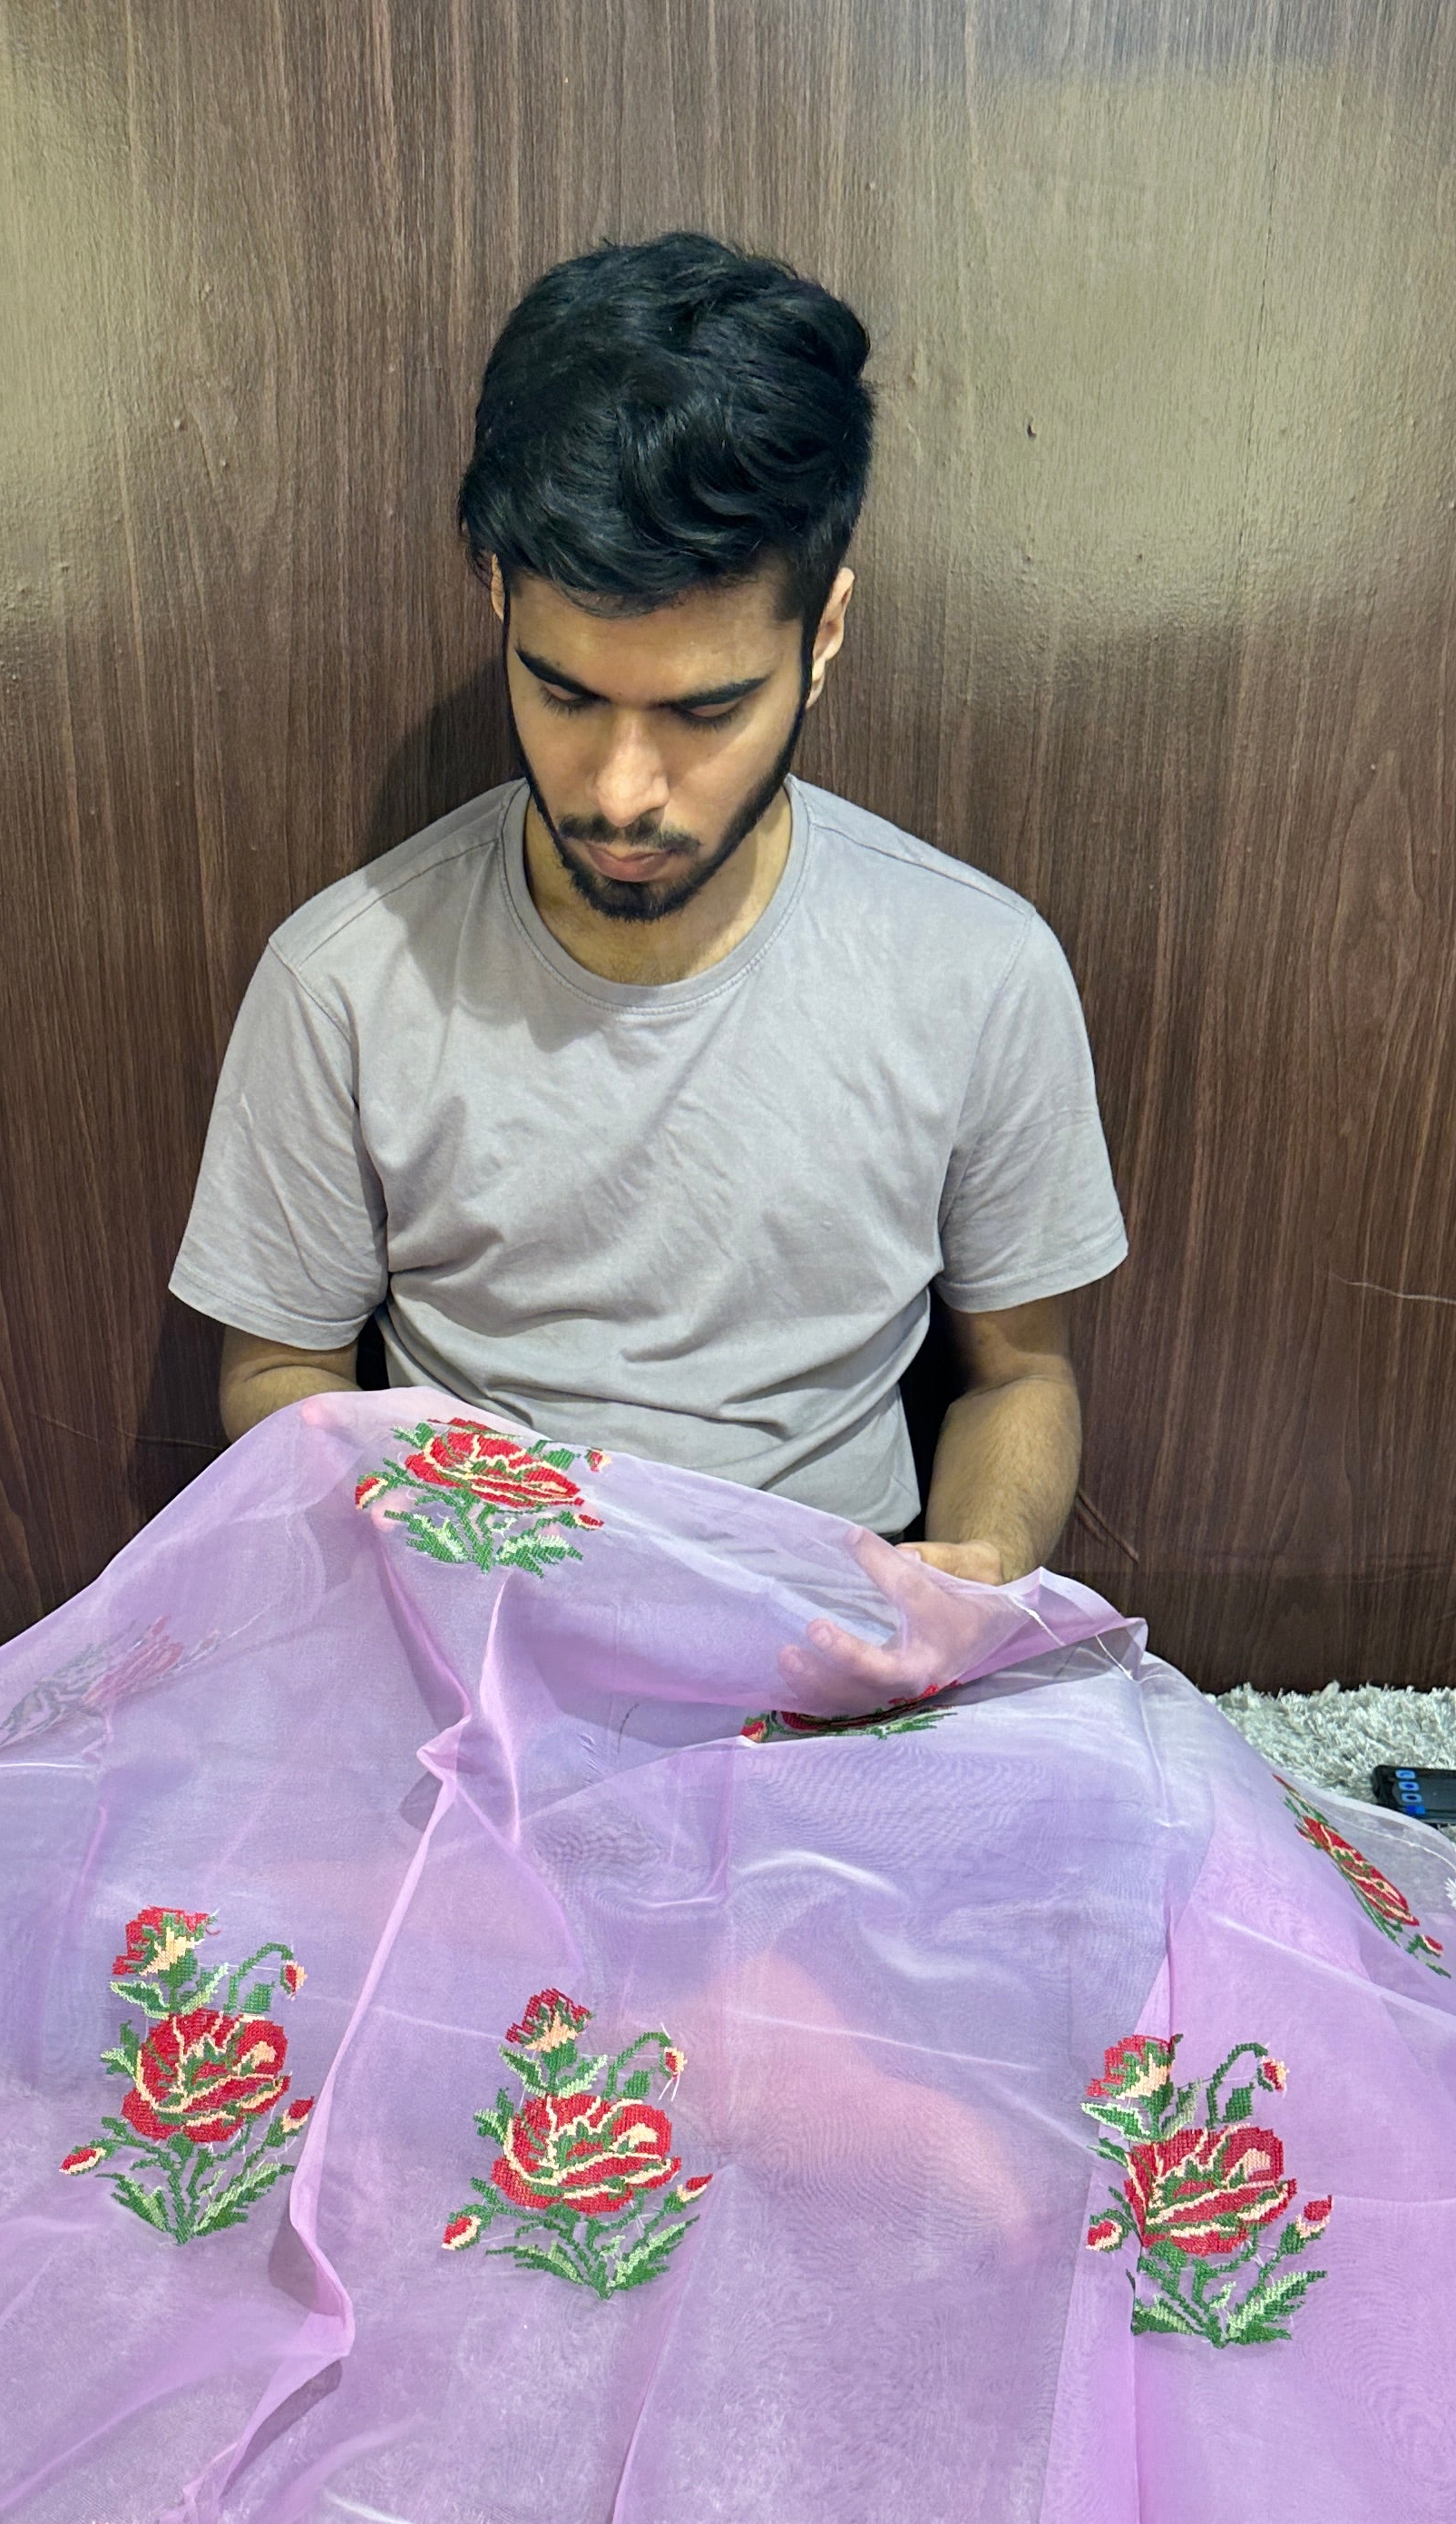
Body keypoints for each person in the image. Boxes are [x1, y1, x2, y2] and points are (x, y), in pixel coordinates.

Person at [167, 230, 1127, 1651]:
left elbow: (1018, 1372)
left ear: (823, 634)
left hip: (825, 1659)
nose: (621, 794)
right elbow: (279, 1370)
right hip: (466, 1642)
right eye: (564, 695)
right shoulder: (343, 978)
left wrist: (972, 1578)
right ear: (497, 593)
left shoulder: (979, 971)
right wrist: (440, 1563)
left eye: (703, 711)